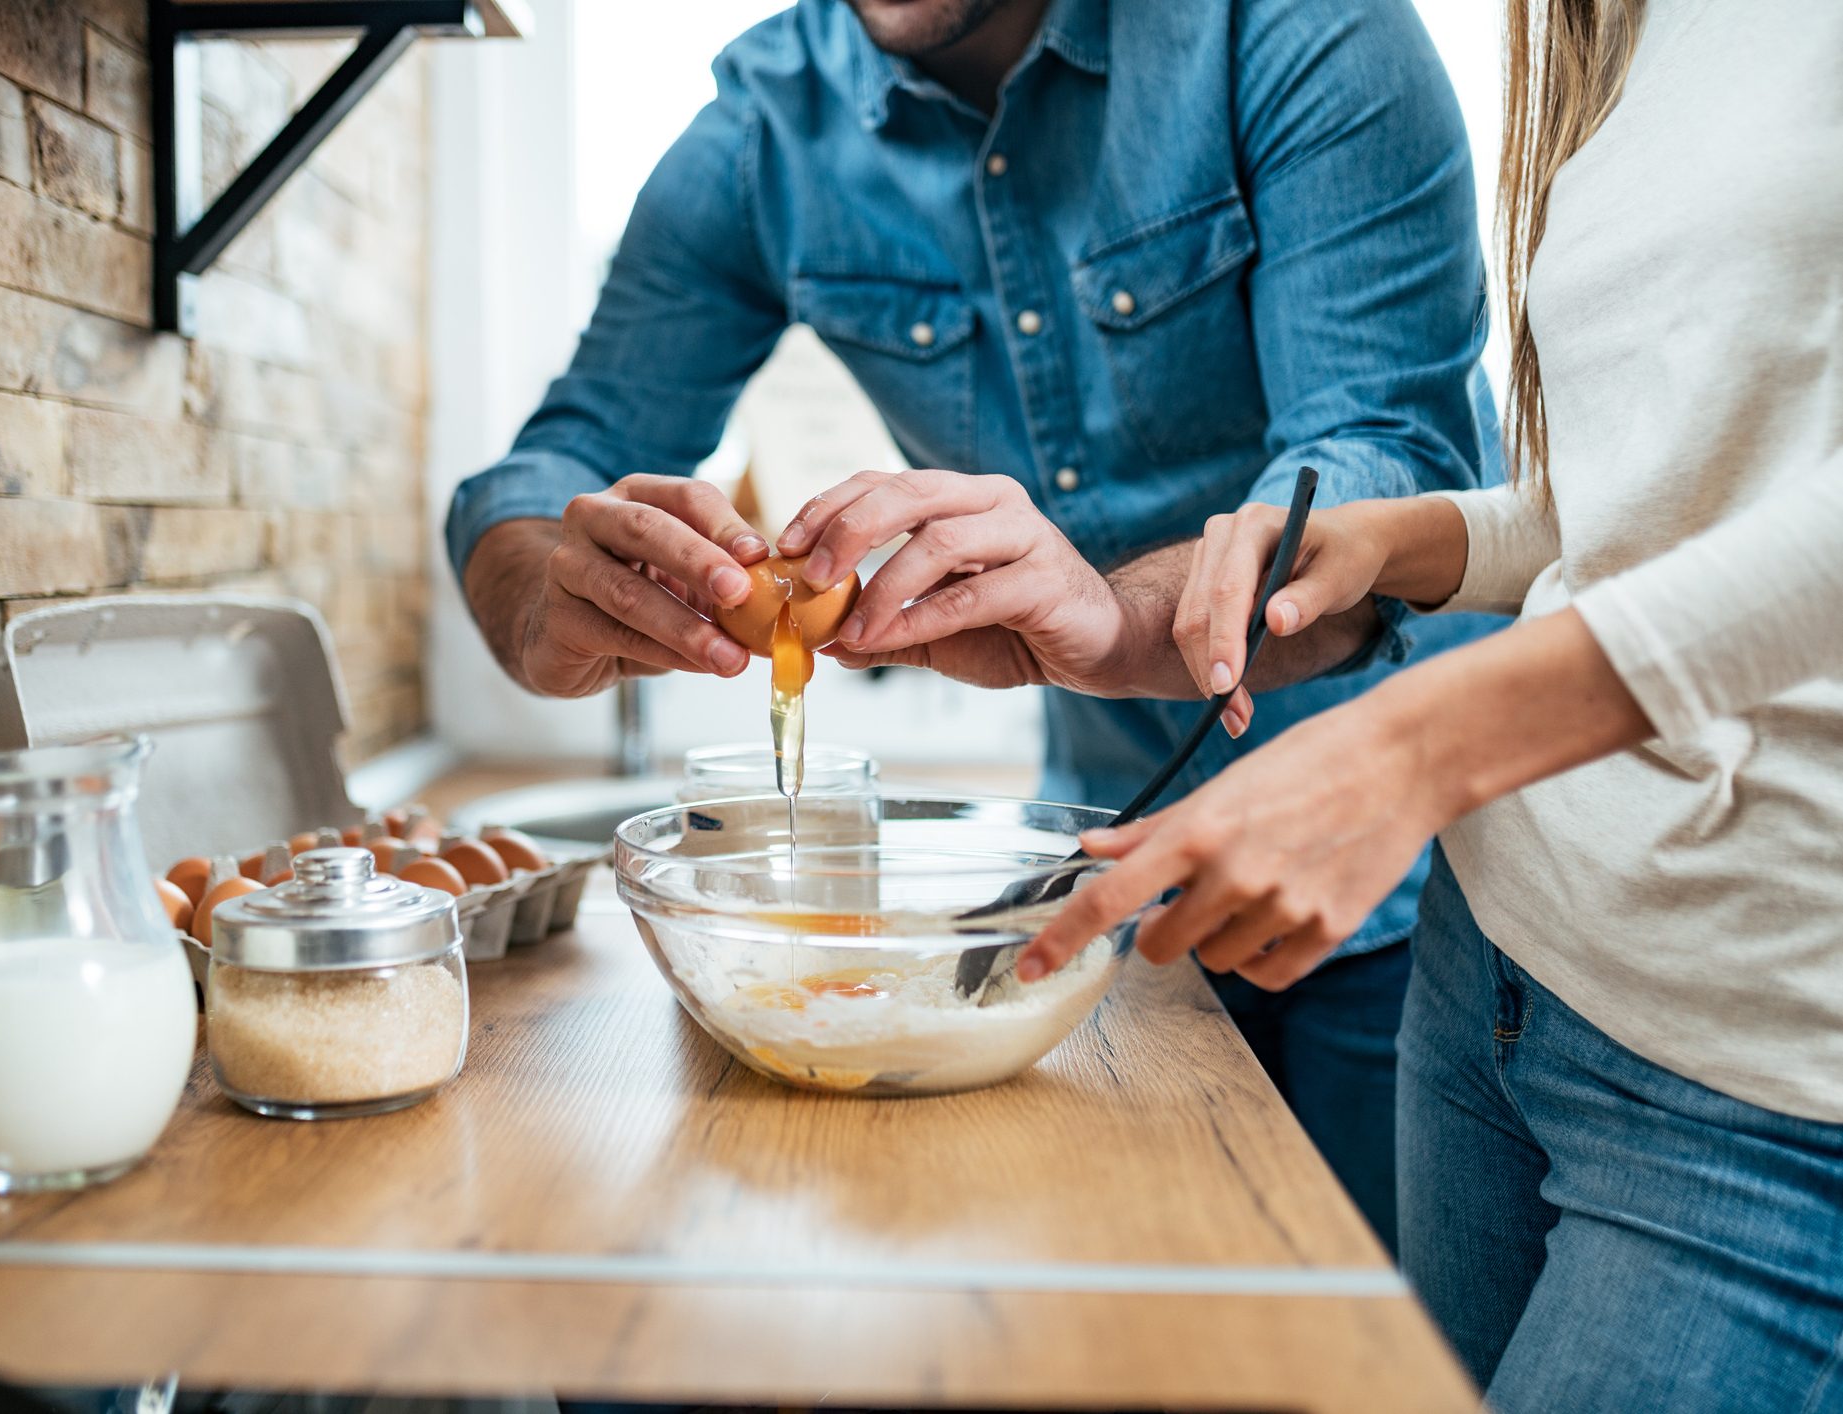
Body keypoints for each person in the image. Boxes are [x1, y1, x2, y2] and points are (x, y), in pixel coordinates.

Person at [446, 0, 1501, 1248]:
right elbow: (541, 476)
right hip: (1112, 900)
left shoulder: (1294, 31)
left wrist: (1116, 618)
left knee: (1361, 1362)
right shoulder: (765, 134)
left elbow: (1384, 460)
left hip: (1422, 889)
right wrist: (544, 603)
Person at [1006, 0, 1843, 1405]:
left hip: (1757, 1066)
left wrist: (1415, 742)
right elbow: (1683, 483)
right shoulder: (1638, 27)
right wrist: (1412, 540)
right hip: (1500, 976)